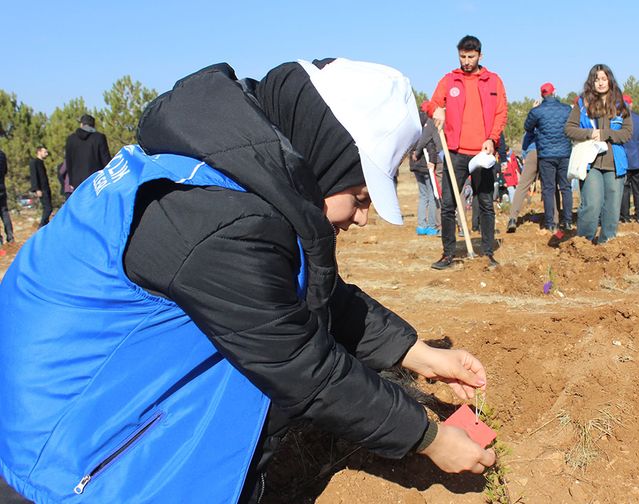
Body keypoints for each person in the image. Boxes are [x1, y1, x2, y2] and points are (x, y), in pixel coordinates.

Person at [0, 59, 496, 504]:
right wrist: (428, 438)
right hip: (60, 466)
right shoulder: (215, 220)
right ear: (325, 159)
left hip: (70, 416)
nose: (362, 218)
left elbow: (299, 298)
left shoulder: (226, 179)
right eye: (362, 196)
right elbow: (303, 364)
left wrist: (419, 355)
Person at [428, 35, 508, 269]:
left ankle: (488, 252)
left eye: (470, 56)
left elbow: (501, 113)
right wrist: (436, 111)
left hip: (482, 154)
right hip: (455, 153)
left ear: (480, 55)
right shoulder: (449, 80)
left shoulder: (493, 81)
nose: (466, 61)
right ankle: (448, 254)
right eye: (462, 56)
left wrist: (492, 139)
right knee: (449, 204)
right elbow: (430, 103)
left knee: (485, 203)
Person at [565, 64, 632, 243]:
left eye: (604, 79)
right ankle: (584, 243)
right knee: (592, 204)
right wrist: (589, 134)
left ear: (609, 80)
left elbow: (626, 133)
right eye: (597, 79)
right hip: (590, 163)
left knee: (612, 207)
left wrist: (605, 134)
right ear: (591, 82)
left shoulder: (619, 104)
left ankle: (607, 243)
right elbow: (569, 129)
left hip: (615, 164)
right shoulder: (582, 103)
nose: (600, 83)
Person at [523, 82, 573, 235]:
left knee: (548, 189)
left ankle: (551, 223)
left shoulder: (537, 111)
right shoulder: (566, 109)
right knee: (566, 188)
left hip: (546, 155)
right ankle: (568, 221)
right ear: (555, 92)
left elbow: (527, 127)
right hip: (565, 153)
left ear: (541, 95)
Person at [410, 106, 440, 236]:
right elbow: (431, 145)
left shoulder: (413, 128)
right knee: (432, 196)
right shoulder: (429, 125)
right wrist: (433, 161)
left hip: (416, 166)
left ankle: (421, 225)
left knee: (423, 196)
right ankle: (432, 226)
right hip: (427, 166)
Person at [64, 113, 111, 193]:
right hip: (96, 180)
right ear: (93, 125)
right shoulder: (99, 138)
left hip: (77, 181)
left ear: (81, 124)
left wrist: (71, 181)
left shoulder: (71, 139)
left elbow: (69, 162)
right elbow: (105, 159)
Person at [621, 95, 639, 223]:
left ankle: (625, 216)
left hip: (624, 160)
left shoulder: (618, 121)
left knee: (624, 190)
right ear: (631, 105)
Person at [507, 134, 539, 232]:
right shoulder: (548, 123)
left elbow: (525, 145)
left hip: (531, 153)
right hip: (547, 153)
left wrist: (525, 155)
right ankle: (554, 222)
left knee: (522, 187)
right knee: (550, 187)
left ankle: (512, 219)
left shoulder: (529, 130)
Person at [29, 146, 52, 228]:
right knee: (48, 208)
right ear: (39, 152)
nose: (47, 154)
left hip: (46, 188)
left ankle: (46, 226)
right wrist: (37, 189)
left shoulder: (41, 163)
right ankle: (42, 226)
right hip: (41, 189)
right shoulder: (34, 162)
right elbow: (34, 176)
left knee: (49, 208)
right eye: (45, 152)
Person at [0, 146, 13, 244]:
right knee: (4, 211)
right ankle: (10, 236)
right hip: (1, 187)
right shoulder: (2, 155)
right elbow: (5, 171)